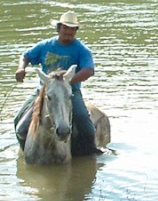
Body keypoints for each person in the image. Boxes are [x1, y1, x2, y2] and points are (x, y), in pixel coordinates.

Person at [13, 10, 101, 155]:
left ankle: (90, 152)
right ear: (59, 28)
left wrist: (67, 82)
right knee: (19, 125)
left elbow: (89, 70)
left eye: (72, 29)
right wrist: (21, 68)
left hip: (70, 91)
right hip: (44, 90)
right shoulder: (46, 45)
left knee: (83, 120)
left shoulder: (82, 50)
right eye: (66, 28)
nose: (69, 32)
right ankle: (27, 152)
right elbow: (26, 56)